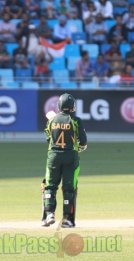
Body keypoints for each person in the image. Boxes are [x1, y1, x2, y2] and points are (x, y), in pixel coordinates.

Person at [42, 93, 87, 228]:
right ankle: (67, 219)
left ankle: (49, 214)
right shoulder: (76, 120)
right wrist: (79, 147)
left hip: (53, 156)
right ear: (72, 106)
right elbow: (83, 142)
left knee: (50, 186)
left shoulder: (51, 120)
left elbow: (48, 139)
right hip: (70, 157)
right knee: (69, 189)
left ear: (59, 106)